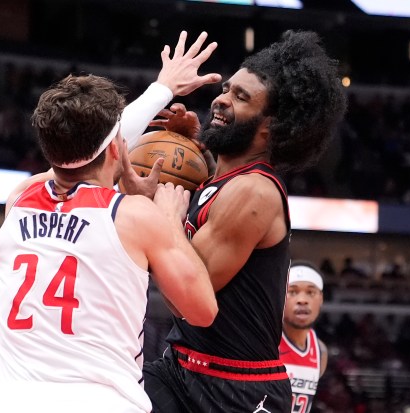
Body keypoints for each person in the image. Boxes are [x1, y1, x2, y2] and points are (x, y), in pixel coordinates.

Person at [141, 30, 347, 412]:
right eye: (228, 89)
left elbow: (184, 298)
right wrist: (188, 149)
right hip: (181, 366)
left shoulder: (255, 193)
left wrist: (165, 218)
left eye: (240, 97)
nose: (221, 99)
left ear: (271, 125)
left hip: (237, 390)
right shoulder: (218, 178)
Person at [0, 72, 220, 411]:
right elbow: (202, 311)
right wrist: (169, 220)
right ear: (116, 146)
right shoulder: (136, 216)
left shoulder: (20, 199)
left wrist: (161, 91)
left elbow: (72, 160)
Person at [279, 261, 328, 413]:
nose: (302, 300)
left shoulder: (320, 351)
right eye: (292, 292)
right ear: (280, 296)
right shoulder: (265, 342)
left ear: (320, 299)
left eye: (310, 292)